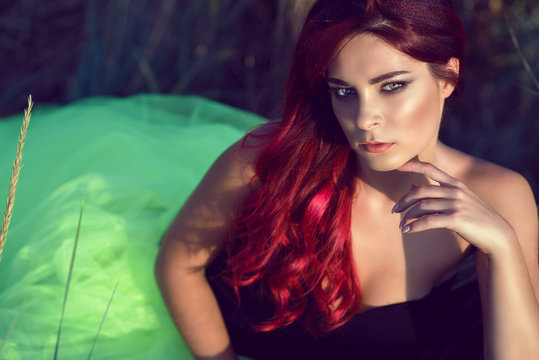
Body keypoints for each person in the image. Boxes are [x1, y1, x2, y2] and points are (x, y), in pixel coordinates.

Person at [155, 0, 539, 359]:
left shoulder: (496, 195)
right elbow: (178, 265)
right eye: (343, 91)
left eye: (391, 86)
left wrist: (502, 247)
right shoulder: (271, 159)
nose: (364, 118)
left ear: (448, 77)